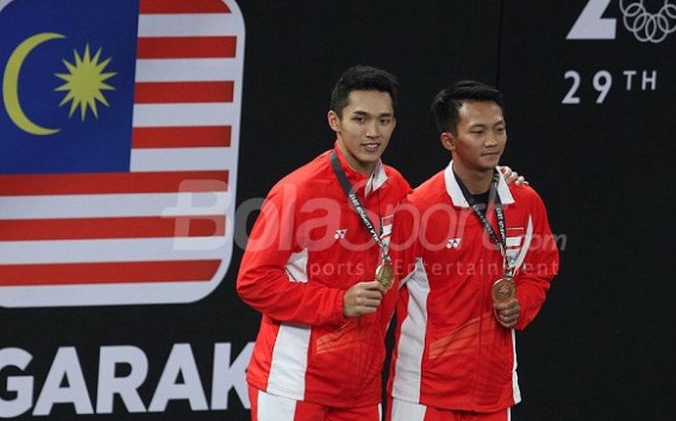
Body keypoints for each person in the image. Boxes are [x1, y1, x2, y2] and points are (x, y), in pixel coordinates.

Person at [236, 65, 411, 421]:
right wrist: (338, 302)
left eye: (384, 120)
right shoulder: (297, 192)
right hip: (294, 385)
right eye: (360, 119)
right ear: (335, 120)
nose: (373, 132)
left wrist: (496, 183)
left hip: (361, 390)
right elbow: (253, 282)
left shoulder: (398, 189)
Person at [387, 80, 559, 421]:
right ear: (449, 140)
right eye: (478, 132)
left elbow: (540, 268)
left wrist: (521, 302)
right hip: (425, 392)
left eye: (499, 129)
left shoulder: (525, 201)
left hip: (494, 392)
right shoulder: (418, 208)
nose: (493, 141)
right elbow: (386, 290)